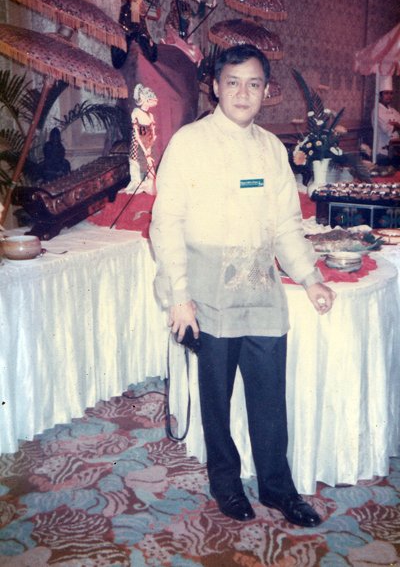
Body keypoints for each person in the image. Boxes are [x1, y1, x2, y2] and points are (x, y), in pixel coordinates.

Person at [150, 44, 336, 526]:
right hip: (206, 294)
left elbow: (286, 226)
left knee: (270, 400)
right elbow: (166, 224)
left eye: (254, 84)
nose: (243, 93)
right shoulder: (189, 143)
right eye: (233, 82)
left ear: (266, 91)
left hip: (260, 293)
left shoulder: (272, 149)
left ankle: (278, 488)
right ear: (215, 86)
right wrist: (179, 297)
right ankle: (227, 485)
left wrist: (310, 278)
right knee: (216, 399)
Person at [124, 83, 158, 196]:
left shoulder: (151, 116)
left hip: (148, 145)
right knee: (138, 170)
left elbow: (152, 133)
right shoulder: (136, 112)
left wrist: (150, 148)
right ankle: (138, 189)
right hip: (138, 146)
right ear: (143, 99)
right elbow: (137, 135)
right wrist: (145, 152)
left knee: (151, 171)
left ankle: (148, 188)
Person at [371, 75, 400, 165]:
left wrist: (396, 125)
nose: (389, 96)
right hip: (382, 151)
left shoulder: (394, 111)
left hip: (395, 150)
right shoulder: (377, 110)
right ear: (380, 95)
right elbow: (386, 129)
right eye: (386, 93)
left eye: (391, 93)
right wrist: (397, 126)